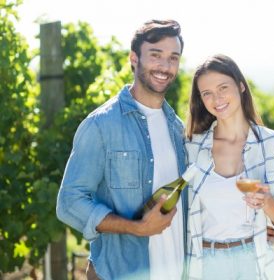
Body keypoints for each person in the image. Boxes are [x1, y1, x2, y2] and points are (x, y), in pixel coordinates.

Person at [56, 19, 187, 280]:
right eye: (156, 55)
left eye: (173, 57)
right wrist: (135, 228)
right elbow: (69, 202)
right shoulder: (101, 124)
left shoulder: (178, 128)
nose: (165, 66)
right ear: (134, 58)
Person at [185, 54, 274, 279]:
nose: (216, 98)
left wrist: (266, 201)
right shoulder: (191, 147)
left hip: (255, 262)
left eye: (223, 87)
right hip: (206, 264)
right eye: (207, 93)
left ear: (241, 86)